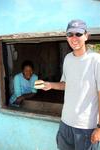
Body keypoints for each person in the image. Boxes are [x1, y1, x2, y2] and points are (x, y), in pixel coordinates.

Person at [42, 20, 100, 150]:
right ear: (66, 37)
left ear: (86, 36)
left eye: (78, 34)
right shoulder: (68, 58)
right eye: (70, 34)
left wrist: (99, 128)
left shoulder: (96, 60)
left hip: (86, 128)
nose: (74, 38)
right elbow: (66, 84)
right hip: (65, 124)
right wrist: (50, 85)